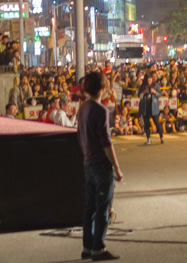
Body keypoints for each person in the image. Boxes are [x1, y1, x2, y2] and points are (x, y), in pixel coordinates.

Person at [77, 71, 123, 261]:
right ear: (102, 89)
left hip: (88, 162)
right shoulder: (101, 110)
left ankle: (87, 247)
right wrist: (117, 168)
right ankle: (98, 248)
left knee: (89, 207)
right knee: (103, 208)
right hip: (100, 165)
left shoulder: (83, 108)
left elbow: (80, 135)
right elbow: (106, 143)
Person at [138, 76, 163, 145]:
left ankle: (161, 137)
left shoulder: (155, 86)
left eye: (150, 80)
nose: (149, 81)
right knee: (146, 123)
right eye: (148, 80)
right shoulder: (142, 86)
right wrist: (144, 93)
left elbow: (159, 95)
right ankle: (148, 138)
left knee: (157, 122)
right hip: (145, 107)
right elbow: (139, 96)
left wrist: (154, 92)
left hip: (153, 107)